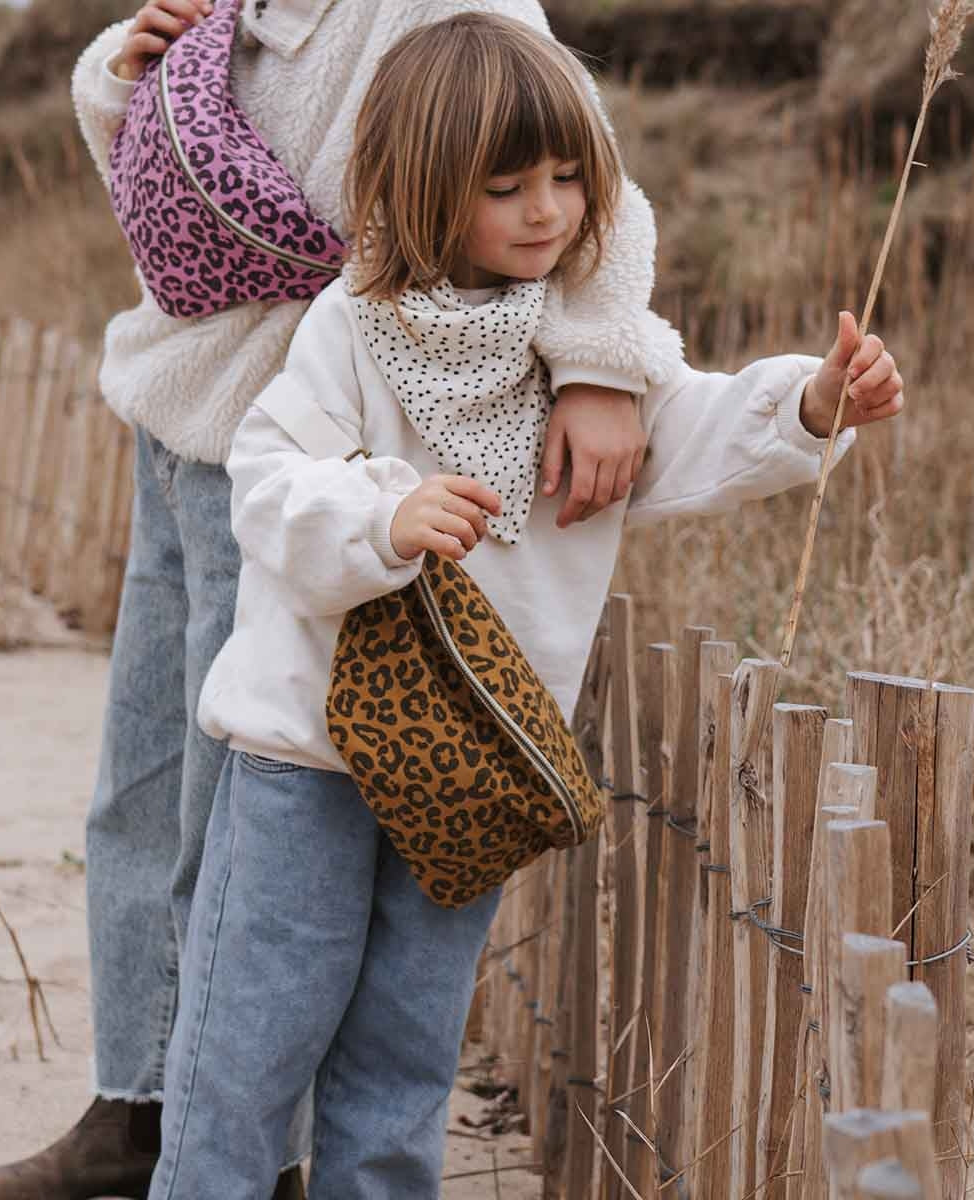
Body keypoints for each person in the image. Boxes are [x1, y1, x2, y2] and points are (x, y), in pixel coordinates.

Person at [146, 12, 906, 1198]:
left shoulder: (596, 356)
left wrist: (810, 404)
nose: (546, 211)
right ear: (424, 190)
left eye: (565, 179)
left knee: (404, 1063)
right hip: (306, 755)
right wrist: (382, 518)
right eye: (507, 187)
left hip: (477, 771)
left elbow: (695, 430)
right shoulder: (353, 324)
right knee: (246, 1049)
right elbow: (268, 481)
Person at [0, 0, 680, 1196]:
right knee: (136, 800)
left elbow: (587, 176)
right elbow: (175, 207)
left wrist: (605, 367)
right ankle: (140, 1102)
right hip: (184, 415)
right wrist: (134, 79)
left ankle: (253, 1151)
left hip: (321, 441)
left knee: (236, 829)